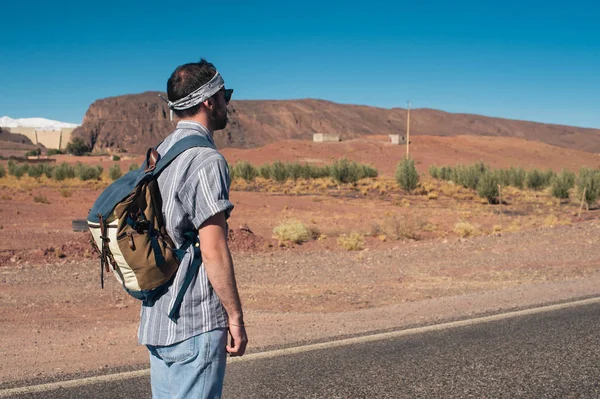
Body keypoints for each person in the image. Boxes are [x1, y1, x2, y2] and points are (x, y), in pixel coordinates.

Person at [140, 58, 247, 398]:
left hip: (157, 315)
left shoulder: (160, 154)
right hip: (194, 321)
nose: (227, 103)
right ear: (208, 100)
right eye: (224, 95)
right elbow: (213, 248)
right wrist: (235, 317)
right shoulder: (205, 159)